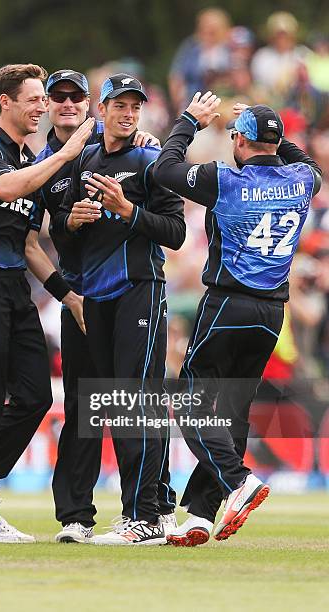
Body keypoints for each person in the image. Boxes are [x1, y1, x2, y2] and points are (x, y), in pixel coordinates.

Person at [154, 93, 322, 545]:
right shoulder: (303, 179)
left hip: (229, 301)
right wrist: (270, 133)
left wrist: (189, 121)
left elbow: (163, 169)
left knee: (190, 399)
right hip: (272, 313)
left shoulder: (225, 178)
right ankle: (200, 516)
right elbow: (307, 161)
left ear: (240, 140)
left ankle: (237, 481)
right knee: (231, 412)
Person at [0, 63, 95, 543]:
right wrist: (66, 153)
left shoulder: (28, 156)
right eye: (34, 99)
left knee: (35, 396)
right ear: (4, 102)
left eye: (42, 100)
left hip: (14, 288)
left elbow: (30, 245)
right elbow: (8, 187)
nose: (42, 107)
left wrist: (68, 296)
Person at [27, 68, 171, 544]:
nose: (67, 102)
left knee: (134, 399)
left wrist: (125, 206)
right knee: (88, 406)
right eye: (58, 96)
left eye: (135, 106)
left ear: (89, 104)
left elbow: (176, 230)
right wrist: (73, 219)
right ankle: (78, 516)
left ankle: (151, 511)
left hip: (131, 288)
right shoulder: (57, 159)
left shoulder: (147, 156)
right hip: (81, 296)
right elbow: (57, 226)